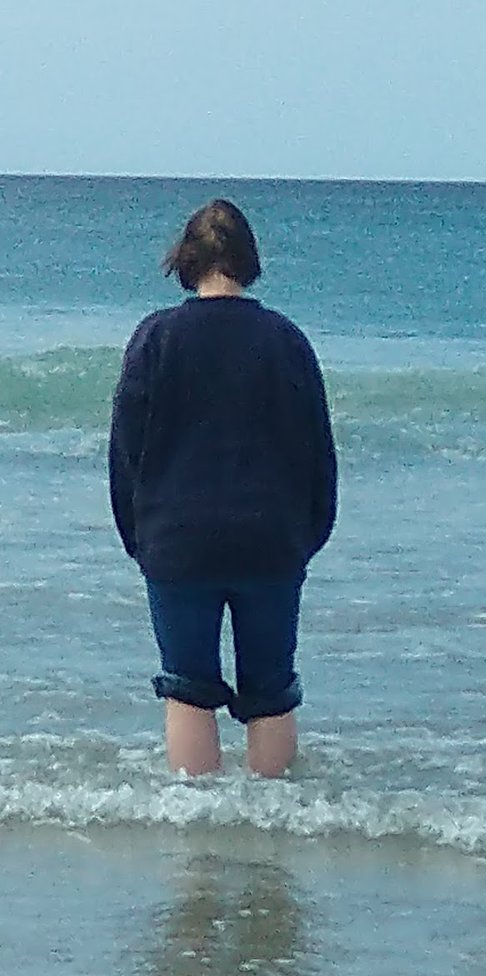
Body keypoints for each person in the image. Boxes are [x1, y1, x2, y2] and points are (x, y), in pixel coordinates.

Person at [109, 199, 337, 777]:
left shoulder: (155, 337)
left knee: (187, 688)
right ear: (248, 260)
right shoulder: (286, 339)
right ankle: (275, 818)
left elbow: (126, 454)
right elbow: (318, 453)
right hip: (270, 538)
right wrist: (307, 535)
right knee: (271, 690)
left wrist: (139, 538)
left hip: (177, 538)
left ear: (186, 260)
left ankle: (200, 822)